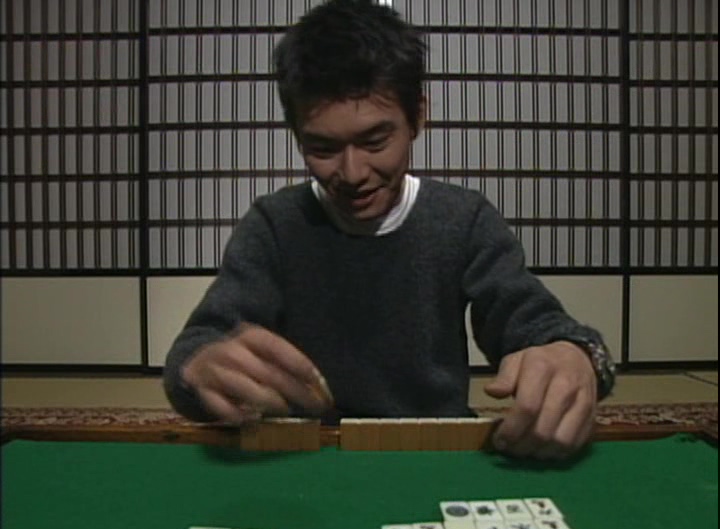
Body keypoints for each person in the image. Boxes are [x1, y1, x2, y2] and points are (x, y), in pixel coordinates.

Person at [163, 0, 615, 460]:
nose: (353, 173)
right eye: (322, 148)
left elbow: (534, 322)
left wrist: (577, 356)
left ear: (418, 116)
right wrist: (201, 369)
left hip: (436, 449)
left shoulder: (463, 219)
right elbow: (196, 349)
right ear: (296, 135)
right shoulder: (275, 225)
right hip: (311, 455)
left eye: (375, 141)